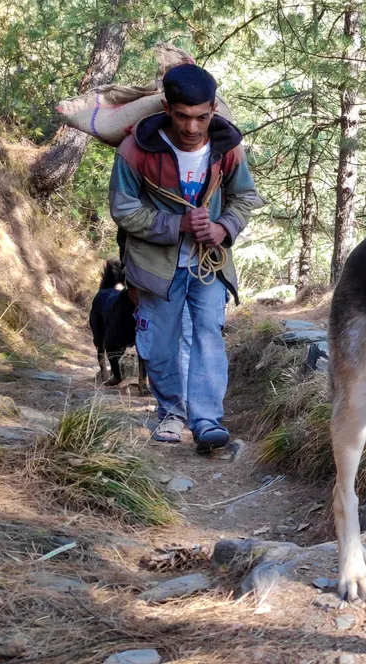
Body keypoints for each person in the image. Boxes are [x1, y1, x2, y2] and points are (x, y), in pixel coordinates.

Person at [110, 63, 264, 451]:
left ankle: (207, 419)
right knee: (159, 343)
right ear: (166, 107)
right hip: (154, 266)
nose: (192, 127)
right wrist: (176, 224)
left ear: (213, 108)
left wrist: (223, 227)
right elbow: (123, 209)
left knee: (208, 336)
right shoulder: (136, 150)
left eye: (201, 117)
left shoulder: (227, 149)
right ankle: (170, 413)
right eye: (182, 116)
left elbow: (245, 197)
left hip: (208, 263)